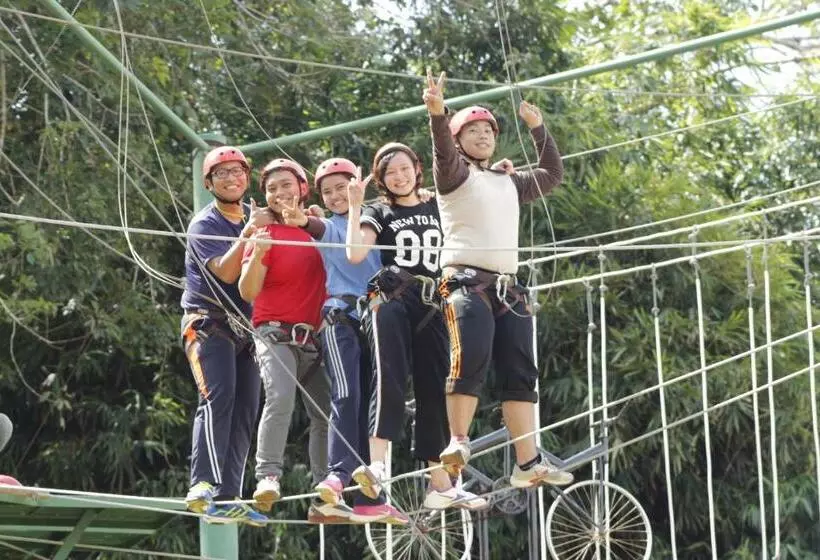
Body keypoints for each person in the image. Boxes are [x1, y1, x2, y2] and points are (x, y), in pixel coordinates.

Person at [423, 70, 574, 488]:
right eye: (472, 131)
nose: (483, 135)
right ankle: (458, 440)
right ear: (458, 141)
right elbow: (441, 151)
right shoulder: (454, 175)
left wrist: (538, 128)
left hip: (508, 288)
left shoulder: (510, 181)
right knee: (470, 355)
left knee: (521, 371)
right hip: (465, 281)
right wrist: (437, 115)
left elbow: (552, 174)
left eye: (488, 130)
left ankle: (527, 462)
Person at [346, 143, 487, 518]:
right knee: (388, 375)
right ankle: (377, 464)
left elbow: (473, 205)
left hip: (434, 303)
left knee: (436, 388)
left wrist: (494, 171)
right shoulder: (378, 211)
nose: (399, 177)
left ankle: (439, 483)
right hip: (393, 297)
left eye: (404, 169)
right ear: (382, 179)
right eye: (390, 172)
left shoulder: (436, 204)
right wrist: (356, 205)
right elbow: (356, 254)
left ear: (417, 169)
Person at [281, 157, 397, 523]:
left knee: (373, 404)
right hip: (341, 317)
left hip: (377, 319)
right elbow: (312, 225)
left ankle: (369, 495)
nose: (335, 197)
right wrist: (300, 219)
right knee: (346, 394)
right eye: (328, 192)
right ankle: (338, 473)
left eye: (342, 188)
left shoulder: (377, 222)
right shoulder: (328, 226)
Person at [238, 158, 335, 523]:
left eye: (286, 185)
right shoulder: (265, 233)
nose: (279, 193)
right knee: (280, 397)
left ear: (302, 188)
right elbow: (248, 292)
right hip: (274, 332)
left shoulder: (318, 230)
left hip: (314, 338)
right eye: (272, 188)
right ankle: (268, 476)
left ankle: (325, 489)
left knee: (327, 413)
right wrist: (259, 252)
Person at [180, 146, 269, 525]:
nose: (232, 179)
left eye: (237, 172)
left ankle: (228, 494)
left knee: (247, 408)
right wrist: (250, 234)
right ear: (209, 183)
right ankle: (202, 483)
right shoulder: (205, 224)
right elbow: (226, 272)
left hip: (246, 330)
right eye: (222, 174)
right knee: (218, 398)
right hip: (208, 324)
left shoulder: (255, 216)